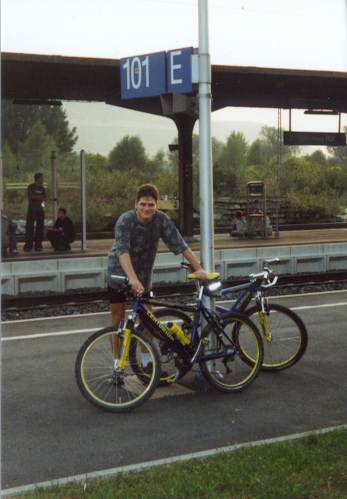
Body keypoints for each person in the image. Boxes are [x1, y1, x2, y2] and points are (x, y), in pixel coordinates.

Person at [107, 183, 206, 368]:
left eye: (151, 204)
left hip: (144, 273)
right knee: (117, 317)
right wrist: (132, 279)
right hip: (118, 271)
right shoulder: (125, 220)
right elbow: (122, 251)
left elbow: (180, 244)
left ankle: (146, 358)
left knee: (147, 315)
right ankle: (116, 360)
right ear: (136, 204)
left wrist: (198, 268)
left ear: (157, 205)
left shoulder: (161, 220)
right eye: (143, 204)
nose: (147, 208)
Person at [23, 172, 46, 252]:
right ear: (38, 179)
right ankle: (28, 245)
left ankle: (38, 245)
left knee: (40, 228)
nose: (43, 180)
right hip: (32, 210)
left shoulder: (42, 189)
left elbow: (43, 200)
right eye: (42, 178)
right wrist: (38, 197)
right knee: (30, 227)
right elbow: (30, 197)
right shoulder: (31, 187)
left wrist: (43, 207)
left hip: (40, 210)